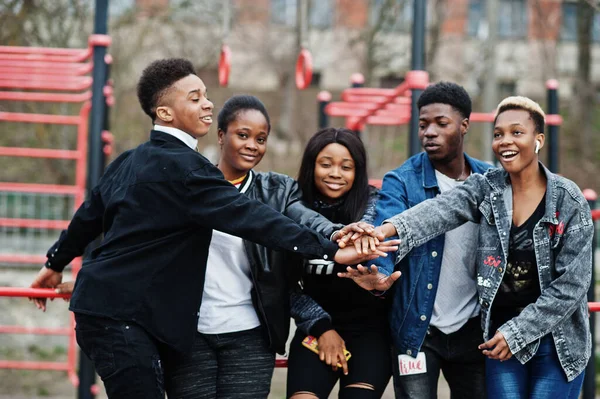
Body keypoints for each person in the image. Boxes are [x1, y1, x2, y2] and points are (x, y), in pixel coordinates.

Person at [29, 59, 396, 399]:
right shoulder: (190, 171)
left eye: (206, 95)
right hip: (130, 319)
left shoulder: (132, 159)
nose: (207, 103)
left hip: (128, 314)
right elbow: (255, 220)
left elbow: (88, 216)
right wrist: (333, 249)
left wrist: (53, 263)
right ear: (166, 112)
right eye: (196, 97)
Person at [342, 96, 593, 399]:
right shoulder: (488, 186)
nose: (505, 141)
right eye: (498, 134)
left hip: (558, 339)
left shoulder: (567, 200)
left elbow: (571, 286)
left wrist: (517, 334)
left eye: (517, 132)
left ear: (538, 139)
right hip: (499, 332)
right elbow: (437, 212)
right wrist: (380, 233)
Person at [162, 95, 366, 398]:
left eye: (261, 139)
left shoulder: (279, 190)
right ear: (221, 136)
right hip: (189, 332)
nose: (252, 145)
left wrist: (337, 235)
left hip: (251, 334)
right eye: (242, 135)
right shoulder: (189, 186)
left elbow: (306, 220)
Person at [369, 81, 491, 398]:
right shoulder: (402, 180)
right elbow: (387, 227)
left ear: (464, 125)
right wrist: (379, 272)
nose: (429, 132)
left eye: (441, 123)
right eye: (423, 125)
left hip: (474, 328)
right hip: (417, 330)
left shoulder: (490, 181)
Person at [286, 128, 392, 399]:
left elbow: (386, 268)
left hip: (370, 333)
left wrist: (378, 284)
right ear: (311, 166)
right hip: (316, 330)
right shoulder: (292, 209)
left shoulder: (375, 206)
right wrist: (322, 328)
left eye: (346, 167)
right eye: (326, 164)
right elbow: (283, 284)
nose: (335, 173)